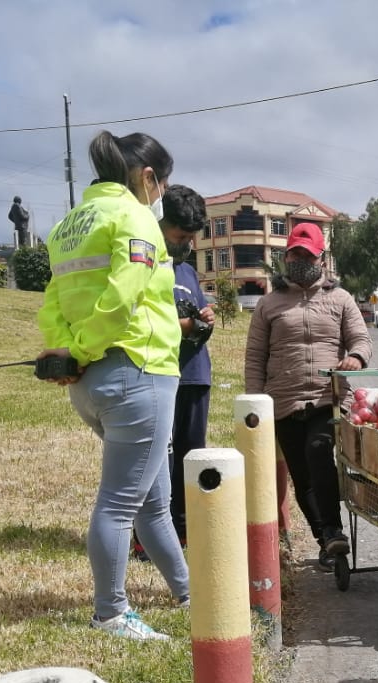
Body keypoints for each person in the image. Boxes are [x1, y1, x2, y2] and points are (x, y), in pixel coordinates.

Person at [36, 131, 188, 641]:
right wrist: (82, 350)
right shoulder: (135, 217)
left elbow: (52, 302)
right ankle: (111, 614)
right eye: (162, 185)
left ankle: (189, 592)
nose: (161, 195)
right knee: (121, 503)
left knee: (152, 503)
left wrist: (68, 353)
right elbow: (126, 295)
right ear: (148, 177)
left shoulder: (68, 226)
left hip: (92, 382)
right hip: (138, 370)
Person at [244, 222, 371, 570]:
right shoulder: (269, 304)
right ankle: (325, 539)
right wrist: (254, 402)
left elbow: (361, 339)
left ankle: (333, 530)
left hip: (327, 398)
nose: (300, 261)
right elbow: (255, 357)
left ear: (321, 260)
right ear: (286, 258)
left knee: (318, 452)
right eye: (294, 255)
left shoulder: (340, 299)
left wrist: (356, 357)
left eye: (308, 255)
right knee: (301, 475)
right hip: (283, 401)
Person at [161, 185, 214, 542]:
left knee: (191, 455)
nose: (187, 245)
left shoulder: (188, 273)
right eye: (181, 237)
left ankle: (184, 526)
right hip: (163, 375)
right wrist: (183, 325)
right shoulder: (148, 267)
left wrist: (204, 319)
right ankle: (157, 526)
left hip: (195, 375)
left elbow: (199, 317)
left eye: (192, 238)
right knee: (161, 460)